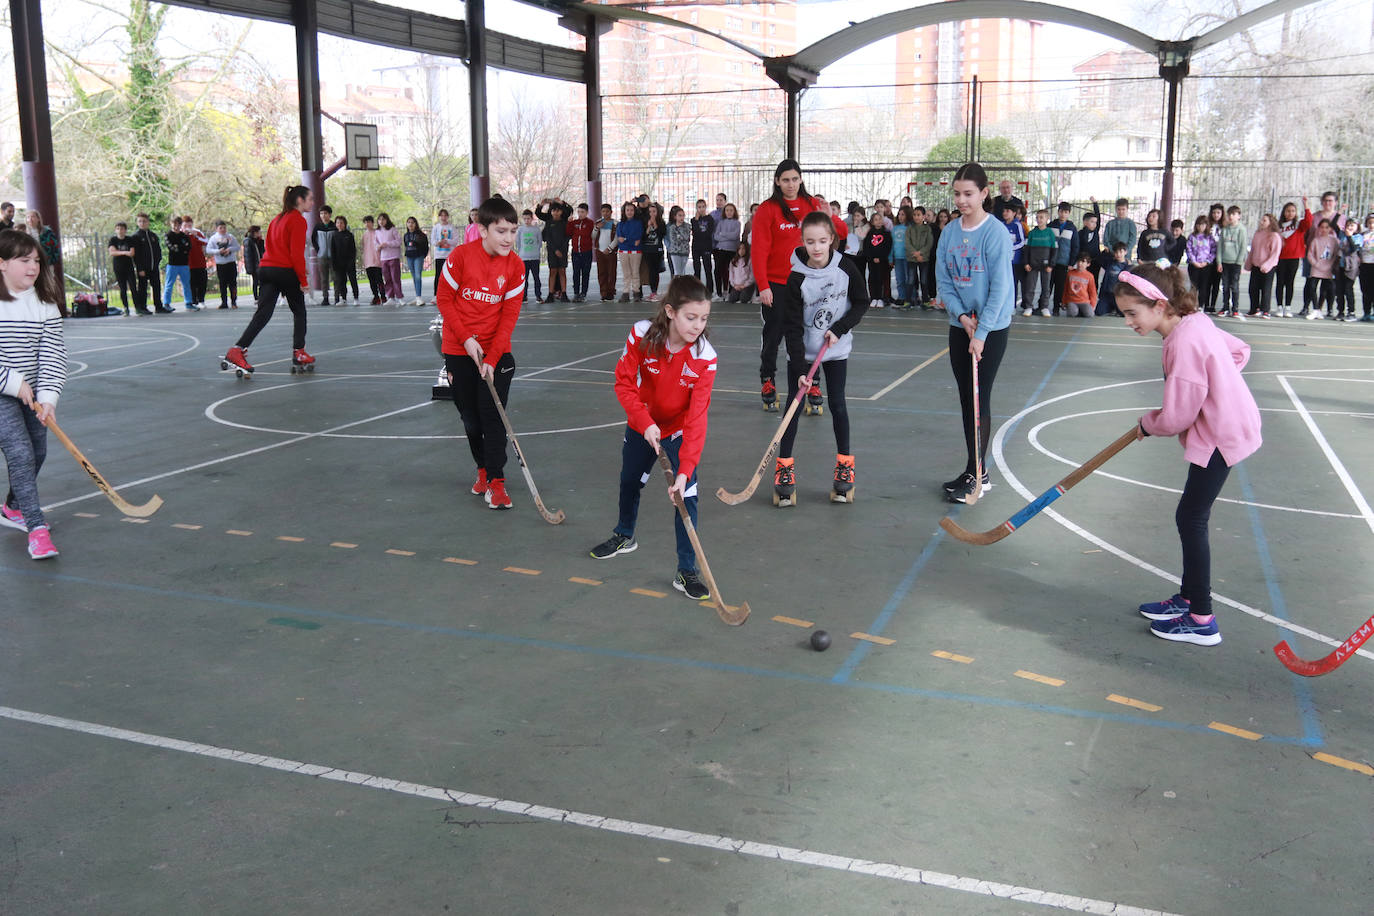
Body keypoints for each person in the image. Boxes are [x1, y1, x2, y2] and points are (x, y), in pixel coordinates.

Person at [1122, 262, 1261, 647]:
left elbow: (1176, 416)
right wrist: (1218, 386)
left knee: (1191, 517)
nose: (1128, 321)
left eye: (1132, 313)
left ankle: (1201, 617)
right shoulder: (1194, 322)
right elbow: (1238, 351)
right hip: (1228, 425)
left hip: (1223, 434)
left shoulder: (1182, 343)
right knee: (1191, 515)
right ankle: (1187, 598)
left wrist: (1148, 424)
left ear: (1157, 304)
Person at [589, 275, 716, 601]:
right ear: (671, 311)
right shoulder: (641, 335)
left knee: (685, 496)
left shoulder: (705, 357)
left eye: (704, 318)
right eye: (691, 317)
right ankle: (624, 534)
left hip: (677, 431)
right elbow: (624, 383)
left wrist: (685, 468)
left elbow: (698, 418)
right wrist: (644, 423)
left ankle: (686, 570)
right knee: (630, 481)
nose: (698, 325)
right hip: (641, 424)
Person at [435, 196, 526, 511]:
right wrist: (466, 340)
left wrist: (491, 356)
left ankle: (497, 483)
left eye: (513, 231)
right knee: (470, 419)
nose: (508, 238)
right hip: (458, 349)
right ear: (482, 229)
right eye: (501, 231)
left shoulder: (515, 266)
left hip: (496, 352)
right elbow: (444, 300)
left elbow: (509, 317)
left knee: (493, 415)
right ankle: (483, 470)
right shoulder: (460, 257)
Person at [774, 211, 869, 506]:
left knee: (838, 404)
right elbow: (790, 326)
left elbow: (862, 301)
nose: (816, 247)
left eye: (823, 241)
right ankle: (784, 470)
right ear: (802, 241)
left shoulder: (846, 268)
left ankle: (844, 467)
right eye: (810, 241)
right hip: (803, 351)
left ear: (832, 240)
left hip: (835, 349)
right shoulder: (796, 277)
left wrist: (839, 328)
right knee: (794, 405)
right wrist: (801, 366)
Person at [936, 163, 1013, 504]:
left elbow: (999, 289)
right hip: (960, 326)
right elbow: (944, 281)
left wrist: (980, 332)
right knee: (967, 399)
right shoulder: (950, 232)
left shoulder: (995, 233)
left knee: (980, 399)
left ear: (984, 193)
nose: (962, 200)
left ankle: (980, 476)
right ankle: (973, 468)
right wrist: (962, 316)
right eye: (957, 194)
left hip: (991, 331)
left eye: (968, 194)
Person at [748, 159, 847, 412]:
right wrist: (763, 285)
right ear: (777, 182)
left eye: (795, 179)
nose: (791, 184)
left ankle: (812, 381)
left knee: (812, 335)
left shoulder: (812, 204)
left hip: (810, 283)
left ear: (800, 179)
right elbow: (759, 250)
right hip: (777, 284)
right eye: (785, 180)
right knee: (774, 335)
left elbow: (842, 233)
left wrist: (829, 216)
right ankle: (767, 379)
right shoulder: (767, 210)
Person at [0, 229, 67, 560]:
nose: (33, 267)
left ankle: (12, 506)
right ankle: (36, 528)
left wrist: (49, 399)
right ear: (1, 264)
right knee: (21, 454)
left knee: (38, 453)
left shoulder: (45, 305)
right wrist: (14, 383)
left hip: (31, 392)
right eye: (23, 260)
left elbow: (53, 356)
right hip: (2, 392)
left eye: (36, 261)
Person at [223, 185, 316, 375]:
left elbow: (275, 248)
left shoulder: (277, 219)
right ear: (300, 201)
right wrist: (303, 281)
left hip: (266, 270)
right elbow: (295, 253)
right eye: (310, 199)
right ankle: (299, 352)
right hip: (284, 271)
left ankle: (237, 349)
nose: (312, 202)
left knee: (263, 314)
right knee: (299, 312)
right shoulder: (298, 220)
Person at [1275, 198, 1311, 318]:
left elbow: (1309, 222)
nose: (1290, 213)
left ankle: (1288, 307)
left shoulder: (1299, 225)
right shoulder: (1278, 226)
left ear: (1296, 213)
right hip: (1280, 258)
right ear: (1284, 212)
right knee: (1280, 282)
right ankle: (1279, 306)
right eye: (1288, 211)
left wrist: (1306, 206)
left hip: (1293, 258)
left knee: (1290, 283)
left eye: (1293, 211)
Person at [1243, 213, 1280, 319]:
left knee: (1266, 289)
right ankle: (1254, 308)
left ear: (1270, 222)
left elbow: (1275, 254)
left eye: (1264, 220)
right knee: (1253, 288)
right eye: (1261, 220)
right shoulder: (1257, 233)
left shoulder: (1274, 236)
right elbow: (1253, 250)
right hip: (1256, 265)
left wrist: (1267, 265)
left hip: (1268, 267)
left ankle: (1265, 310)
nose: (1261, 222)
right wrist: (1248, 263)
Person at [537, 197, 571, 302]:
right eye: (553, 210)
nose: (556, 212)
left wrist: (563, 202)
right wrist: (555, 250)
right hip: (552, 252)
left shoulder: (565, 222)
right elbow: (547, 238)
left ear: (561, 211)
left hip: (563, 252)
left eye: (558, 210)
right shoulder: (548, 222)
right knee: (552, 272)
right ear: (550, 212)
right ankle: (550, 294)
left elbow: (567, 237)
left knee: (562, 272)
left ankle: (564, 293)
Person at [1022, 209, 1055, 317]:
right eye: (1037, 217)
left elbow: (1054, 250)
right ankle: (1028, 307)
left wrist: (1051, 264)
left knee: (1046, 287)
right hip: (1032, 265)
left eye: (1042, 217)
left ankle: (1044, 307)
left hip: (1046, 266)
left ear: (1047, 219)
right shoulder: (1031, 233)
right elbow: (1026, 250)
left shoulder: (1050, 233)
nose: (1039, 219)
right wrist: (1026, 263)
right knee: (1030, 286)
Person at [1216, 205, 1247, 319]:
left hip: (1235, 263)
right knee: (1225, 285)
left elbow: (1243, 247)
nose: (1231, 216)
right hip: (1225, 262)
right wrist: (1219, 262)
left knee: (1234, 286)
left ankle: (1235, 309)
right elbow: (1219, 248)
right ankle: (1225, 307)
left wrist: (1239, 261)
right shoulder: (1224, 230)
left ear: (1239, 216)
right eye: (1229, 214)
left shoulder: (1241, 230)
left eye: (1234, 214)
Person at [1304, 219, 1338, 320]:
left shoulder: (1333, 240)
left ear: (1330, 229)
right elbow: (1310, 254)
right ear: (1318, 228)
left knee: (1324, 289)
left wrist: (1330, 265)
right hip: (1316, 268)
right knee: (1312, 286)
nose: (1324, 229)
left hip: (1328, 268)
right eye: (1322, 227)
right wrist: (1316, 264)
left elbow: (1335, 255)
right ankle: (1315, 309)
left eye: (1326, 227)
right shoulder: (1316, 240)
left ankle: (1319, 308)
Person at [131, 213, 165, 314]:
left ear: (148, 222)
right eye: (140, 221)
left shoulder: (153, 236)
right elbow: (136, 255)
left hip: (154, 266)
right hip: (143, 268)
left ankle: (158, 306)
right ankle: (142, 307)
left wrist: (157, 261)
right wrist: (140, 268)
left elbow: (158, 251)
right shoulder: (136, 237)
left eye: (144, 221)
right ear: (137, 223)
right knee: (143, 288)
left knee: (156, 286)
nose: (142, 223)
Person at [1049, 202, 1079, 315]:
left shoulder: (1072, 228)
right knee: (1048, 286)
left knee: (1060, 287)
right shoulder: (1051, 225)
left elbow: (1075, 246)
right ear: (1058, 212)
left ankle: (1056, 308)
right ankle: (1043, 306)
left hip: (1064, 262)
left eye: (1066, 212)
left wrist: (1071, 262)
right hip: (1051, 262)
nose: (1063, 214)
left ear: (1069, 214)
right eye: (1061, 211)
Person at [204, 221, 241, 309]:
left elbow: (238, 247)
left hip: (231, 263)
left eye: (224, 227)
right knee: (222, 284)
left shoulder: (230, 237)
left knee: (233, 283)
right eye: (221, 228)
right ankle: (224, 302)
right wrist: (217, 251)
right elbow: (208, 250)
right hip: (221, 264)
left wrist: (230, 249)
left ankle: (234, 302)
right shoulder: (213, 238)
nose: (223, 229)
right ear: (216, 229)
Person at [861, 210, 892, 308]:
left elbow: (888, 247)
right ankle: (874, 297)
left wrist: (881, 258)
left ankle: (881, 298)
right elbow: (866, 247)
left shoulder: (886, 234)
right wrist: (871, 258)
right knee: (872, 279)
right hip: (872, 261)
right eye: (876, 220)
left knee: (881, 279)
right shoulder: (869, 234)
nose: (878, 221)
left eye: (880, 219)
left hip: (882, 261)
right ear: (872, 222)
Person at [1185, 216, 1216, 313]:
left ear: (1206, 225)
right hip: (1194, 265)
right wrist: (1194, 262)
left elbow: (1213, 250)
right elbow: (1189, 250)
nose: (1200, 227)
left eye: (1203, 224)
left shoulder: (1209, 237)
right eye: (1198, 224)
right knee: (1194, 286)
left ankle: (1201, 305)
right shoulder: (1192, 236)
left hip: (1206, 266)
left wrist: (1206, 262)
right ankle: (1192, 305)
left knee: (1204, 286)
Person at [711, 202, 741, 301]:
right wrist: (727, 236)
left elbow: (735, 236)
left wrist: (723, 234)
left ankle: (730, 292)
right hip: (721, 250)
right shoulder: (721, 222)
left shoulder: (737, 223)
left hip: (732, 250)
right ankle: (719, 293)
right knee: (717, 271)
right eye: (727, 210)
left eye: (731, 210)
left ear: (734, 212)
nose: (729, 212)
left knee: (731, 272)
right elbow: (716, 236)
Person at [163, 216, 193, 311]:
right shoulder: (168, 235)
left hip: (184, 264)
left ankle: (188, 303)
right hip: (172, 264)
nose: (176, 226)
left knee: (186, 284)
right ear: (171, 224)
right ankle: (166, 303)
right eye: (174, 224)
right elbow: (172, 248)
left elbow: (188, 248)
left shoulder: (184, 236)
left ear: (181, 225)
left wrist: (179, 247)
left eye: (178, 224)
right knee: (169, 284)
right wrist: (182, 247)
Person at [907, 205, 934, 309]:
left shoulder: (927, 229)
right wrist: (914, 253)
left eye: (918, 215)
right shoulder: (910, 228)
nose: (916, 217)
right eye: (914, 215)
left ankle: (925, 301)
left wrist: (920, 253)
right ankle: (908, 301)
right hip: (911, 258)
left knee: (924, 280)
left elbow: (929, 243)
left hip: (924, 259)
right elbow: (907, 243)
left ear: (923, 216)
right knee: (910, 280)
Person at [615, 202, 643, 303]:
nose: (630, 212)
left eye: (631, 210)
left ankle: (636, 292)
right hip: (623, 251)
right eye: (628, 210)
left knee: (635, 273)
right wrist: (629, 240)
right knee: (626, 273)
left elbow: (637, 238)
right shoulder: (620, 224)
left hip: (636, 251)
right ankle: (625, 293)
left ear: (634, 211)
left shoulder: (639, 223)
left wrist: (626, 239)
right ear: (624, 211)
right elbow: (620, 238)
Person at [107, 221, 137, 315]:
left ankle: (137, 307)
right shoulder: (113, 240)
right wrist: (124, 252)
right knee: (123, 288)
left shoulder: (129, 239)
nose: (120, 231)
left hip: (129, 266)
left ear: (125, 230)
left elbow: (132, 252)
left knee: (133, 287)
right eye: (118, 229)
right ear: (116, 230)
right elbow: (112, 252)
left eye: (122, 229)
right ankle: (126, 308)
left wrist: (119, 251)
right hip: (118, 267)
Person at [1000, 202, 1026, 310]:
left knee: (1013, 283)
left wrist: (1010, 247)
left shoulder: (1017, 225)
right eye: (1004, 211)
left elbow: (1022, 241)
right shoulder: (1001, 224)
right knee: (1002, 283)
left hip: (1014, 261)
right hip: (1002, 260)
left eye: (1008, 211)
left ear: (1014, 213)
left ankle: (1012, 306)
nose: (1005, 213)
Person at [568, 203, 595, 301]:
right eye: (578, 212)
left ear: (587, 212)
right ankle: (576, 293)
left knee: (585, 273)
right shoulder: (574, 222)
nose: (580, 214)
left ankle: (583, 293)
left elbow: (589, 234)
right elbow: (568, 232)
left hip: (586, 252)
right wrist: (570, 223)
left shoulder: (590, 223)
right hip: (575, 252)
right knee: (576, 273)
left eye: (582, 212)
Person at [516, 210, 544, 303]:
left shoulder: (536, 229)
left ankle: (538, 296)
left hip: (535, 257)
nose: (526, 220)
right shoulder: (520, 230)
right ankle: (524, 296)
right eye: (525, 219)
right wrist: (521, 253)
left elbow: (539, 242)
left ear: (532, 218)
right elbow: (518, 243)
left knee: (536, 277)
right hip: (524, 258)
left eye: (528, 218)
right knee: (524, 279)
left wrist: (535, 251)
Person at [310, 205, 335, 306]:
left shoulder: (334, 226)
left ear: (329, 214)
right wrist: (318, 250)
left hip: (334, 257)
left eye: (325, 213)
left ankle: (338, 297)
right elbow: (313, 239)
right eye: (321, 213)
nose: (323, 215)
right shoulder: (317, 226)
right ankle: (325, 298)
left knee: (336, 277)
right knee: (324, 278)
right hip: (322, 256)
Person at [330, 216, 359, 304]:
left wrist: (351, 261)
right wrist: (334, 263)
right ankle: (343, 298)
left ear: (345, 224)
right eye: (338, 222)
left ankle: (356, 298)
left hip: (349, 262)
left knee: (353, 280)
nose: (340, 224)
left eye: (341, 223)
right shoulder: (334, 235)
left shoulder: (349, 235)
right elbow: (333, 250)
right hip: (339, 263)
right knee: (341, 281)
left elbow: (353, 250)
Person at [690, 199, 716, 296]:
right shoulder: (693, 220)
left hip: (706, 246)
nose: (701, 209)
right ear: (696, 208)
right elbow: (695, 232)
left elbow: (708, 233)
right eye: (699, 207)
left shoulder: (710, 219)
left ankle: (710, 290)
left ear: (706, 207)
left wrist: (700, 234)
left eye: (703, 207)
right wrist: (696, 221)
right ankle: (697, 291)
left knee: (707, 268)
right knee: (697, 269)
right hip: (696, 247)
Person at [641, 203, 667, 301]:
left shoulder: (661, 222)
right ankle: (652, 291)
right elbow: (643, 236)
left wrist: (655, 224)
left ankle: (655, 291)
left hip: (657, 249)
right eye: (650, 212)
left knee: (656, 271)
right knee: (651, 270)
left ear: (658, 212)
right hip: (648, 250)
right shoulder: (645, 222)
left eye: (654, 212)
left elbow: (661, 234)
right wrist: (648, 227)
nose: (652, 214)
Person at [375, 212, 403, 303]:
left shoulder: (392, 229)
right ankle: (390, 297)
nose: (381, 221)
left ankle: (400, 297)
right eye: (379, 219)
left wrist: (388, 244)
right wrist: (378, 247)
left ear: (387, 220)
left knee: (395, 277)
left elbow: (398, 241)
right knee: (387, 278)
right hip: (383, 258)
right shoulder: (377, 231)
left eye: (383, 219)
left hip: (393, 256)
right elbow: (375, 244)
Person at [1102, 198, 1137, 267]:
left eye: (1123, 209)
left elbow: (1132, 240)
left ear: (1127, 209)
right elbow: (1106, 240)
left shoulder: (1131, 224)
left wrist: (1123, 252)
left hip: (1126, 257)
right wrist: (1114, 252)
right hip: (1111, 256)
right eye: (1119, 209)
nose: (1121, 211)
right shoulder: (1110, 224)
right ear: (1116, 209)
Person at [1062, 251, 1098, 319]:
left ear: (1088, 264)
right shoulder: (1070, 274)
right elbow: (1065, 289)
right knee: (1072, 313)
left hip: (1084, 301)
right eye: (1078, 261)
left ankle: (1081, 311)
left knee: (1090, 314)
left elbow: (1092, 292)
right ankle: (1077, 311)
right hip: (1072, 301)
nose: (1080, 264)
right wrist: (1064, 302)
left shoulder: (1090, 276)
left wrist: (1092, 305)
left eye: (1083, 262)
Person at [1096, 243, 1129, 316]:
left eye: (1121, 252)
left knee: (1123, 314)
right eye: (1116, 252)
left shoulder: (1128, 266)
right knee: (1099, 312)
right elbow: (1099, 260)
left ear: (1125, 252)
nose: (1118, 254)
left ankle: (1116, 307)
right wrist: (1104, 252)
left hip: (1118, 295)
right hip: (1107, 294)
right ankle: (1111, 307)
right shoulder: (1109, 262)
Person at [403, 216, 430, 305]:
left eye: (412, 222)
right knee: (414, 277)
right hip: (409, 257)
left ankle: (419, 297)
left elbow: (426, 246)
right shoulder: (406, 235)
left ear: (416, 224)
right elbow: (406, 245)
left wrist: (423, 255)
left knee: (418, 276)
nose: (410, 224)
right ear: (407, 224)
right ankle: (417, 297)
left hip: (418, 256)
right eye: (409, 222)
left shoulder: (421, 235)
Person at [184, 216, 209, 309]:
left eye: (190, 225)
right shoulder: (181, 234)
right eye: (186, 225)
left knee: (202, 282)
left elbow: (206, 242)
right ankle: (193, 301)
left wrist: (196, 236)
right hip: (188, 264)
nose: (188, 227)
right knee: (191, 283)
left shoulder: (197, 232)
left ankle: (201, 300)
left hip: (200, 263)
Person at [594, 204, 617, 301]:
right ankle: (603, 292)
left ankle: (610, 292)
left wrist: (610, 248)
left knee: (611, 272)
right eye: (603, 211)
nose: (605, 213)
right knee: (601, 272)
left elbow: (617, 238)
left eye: (607, 211)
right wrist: (596, 228)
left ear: (611, 212)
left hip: (611, 252)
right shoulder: (598, 223)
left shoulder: (615, 223)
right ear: (601, 212)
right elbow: (593, 236)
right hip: (599, 251)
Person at [430, 209, 459, 286]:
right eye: (441, 215)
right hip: (439, 255)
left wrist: (446, 241)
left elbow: (455, 241)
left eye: (445, 215)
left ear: (448, 217)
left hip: (449, 255)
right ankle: (436, 294)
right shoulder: (436, 227)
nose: (443, 217)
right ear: (439, 217)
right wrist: (438, 243)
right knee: (438, 275)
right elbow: (433, 241)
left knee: (450, 275)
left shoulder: (451, 227)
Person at [360, 216, 383, 305]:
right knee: (372, 281)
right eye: (365, 222)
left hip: (377, 261)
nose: (367, 224)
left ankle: (383, 296)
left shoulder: (377, 233)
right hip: (368, 261)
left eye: (369, 222)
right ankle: (376, 297)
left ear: (373, 223)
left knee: (379, 280)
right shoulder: (364, 235)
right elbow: (363, 248)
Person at [666, 205, 691, 280]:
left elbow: (687, 237)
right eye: (679, 215)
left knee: (682, 271)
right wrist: (681, 237)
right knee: (677, 271)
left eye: (683, 215)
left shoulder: (687, 226)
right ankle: (676, 288)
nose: (681, 218)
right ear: (675, 217)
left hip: (685, 251)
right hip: (675, 251)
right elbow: (673, 240)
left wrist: (680, 232)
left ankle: (682, 287)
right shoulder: (672, 227)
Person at [243, 225, 265, 303]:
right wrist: (250, 268)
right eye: (259, 232)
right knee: (255, 281)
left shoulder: (260, 241)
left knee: (262, 281)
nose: (260, 233)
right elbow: (248, 256)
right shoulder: (248, 241)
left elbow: (263, 252)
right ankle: (256, 297)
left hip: (261, 264)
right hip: (254, 266)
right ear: (255, 233)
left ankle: (262, 296)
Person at [1360, 213, 1374, 322]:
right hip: (1364, 265)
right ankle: (1366, 312)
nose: (1372, 225)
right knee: (1365, 290)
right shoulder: (1362, 235)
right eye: (1370, 223)